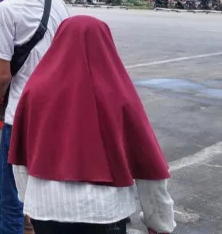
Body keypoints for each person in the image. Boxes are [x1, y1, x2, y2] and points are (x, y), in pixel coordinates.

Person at [9, 16, 175, 234]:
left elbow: (21, 156)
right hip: (105, 212)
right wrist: (160, 222)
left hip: (46, 208)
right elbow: (148, 163)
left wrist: (27, 199)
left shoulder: (34, 91)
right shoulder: (120, 95)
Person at [0, 0, 69, 234]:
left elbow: (2, 74)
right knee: (43, 199)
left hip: (20, 117)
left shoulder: (6, 9)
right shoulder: (59, 3)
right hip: (56, 116)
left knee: (9, 200)